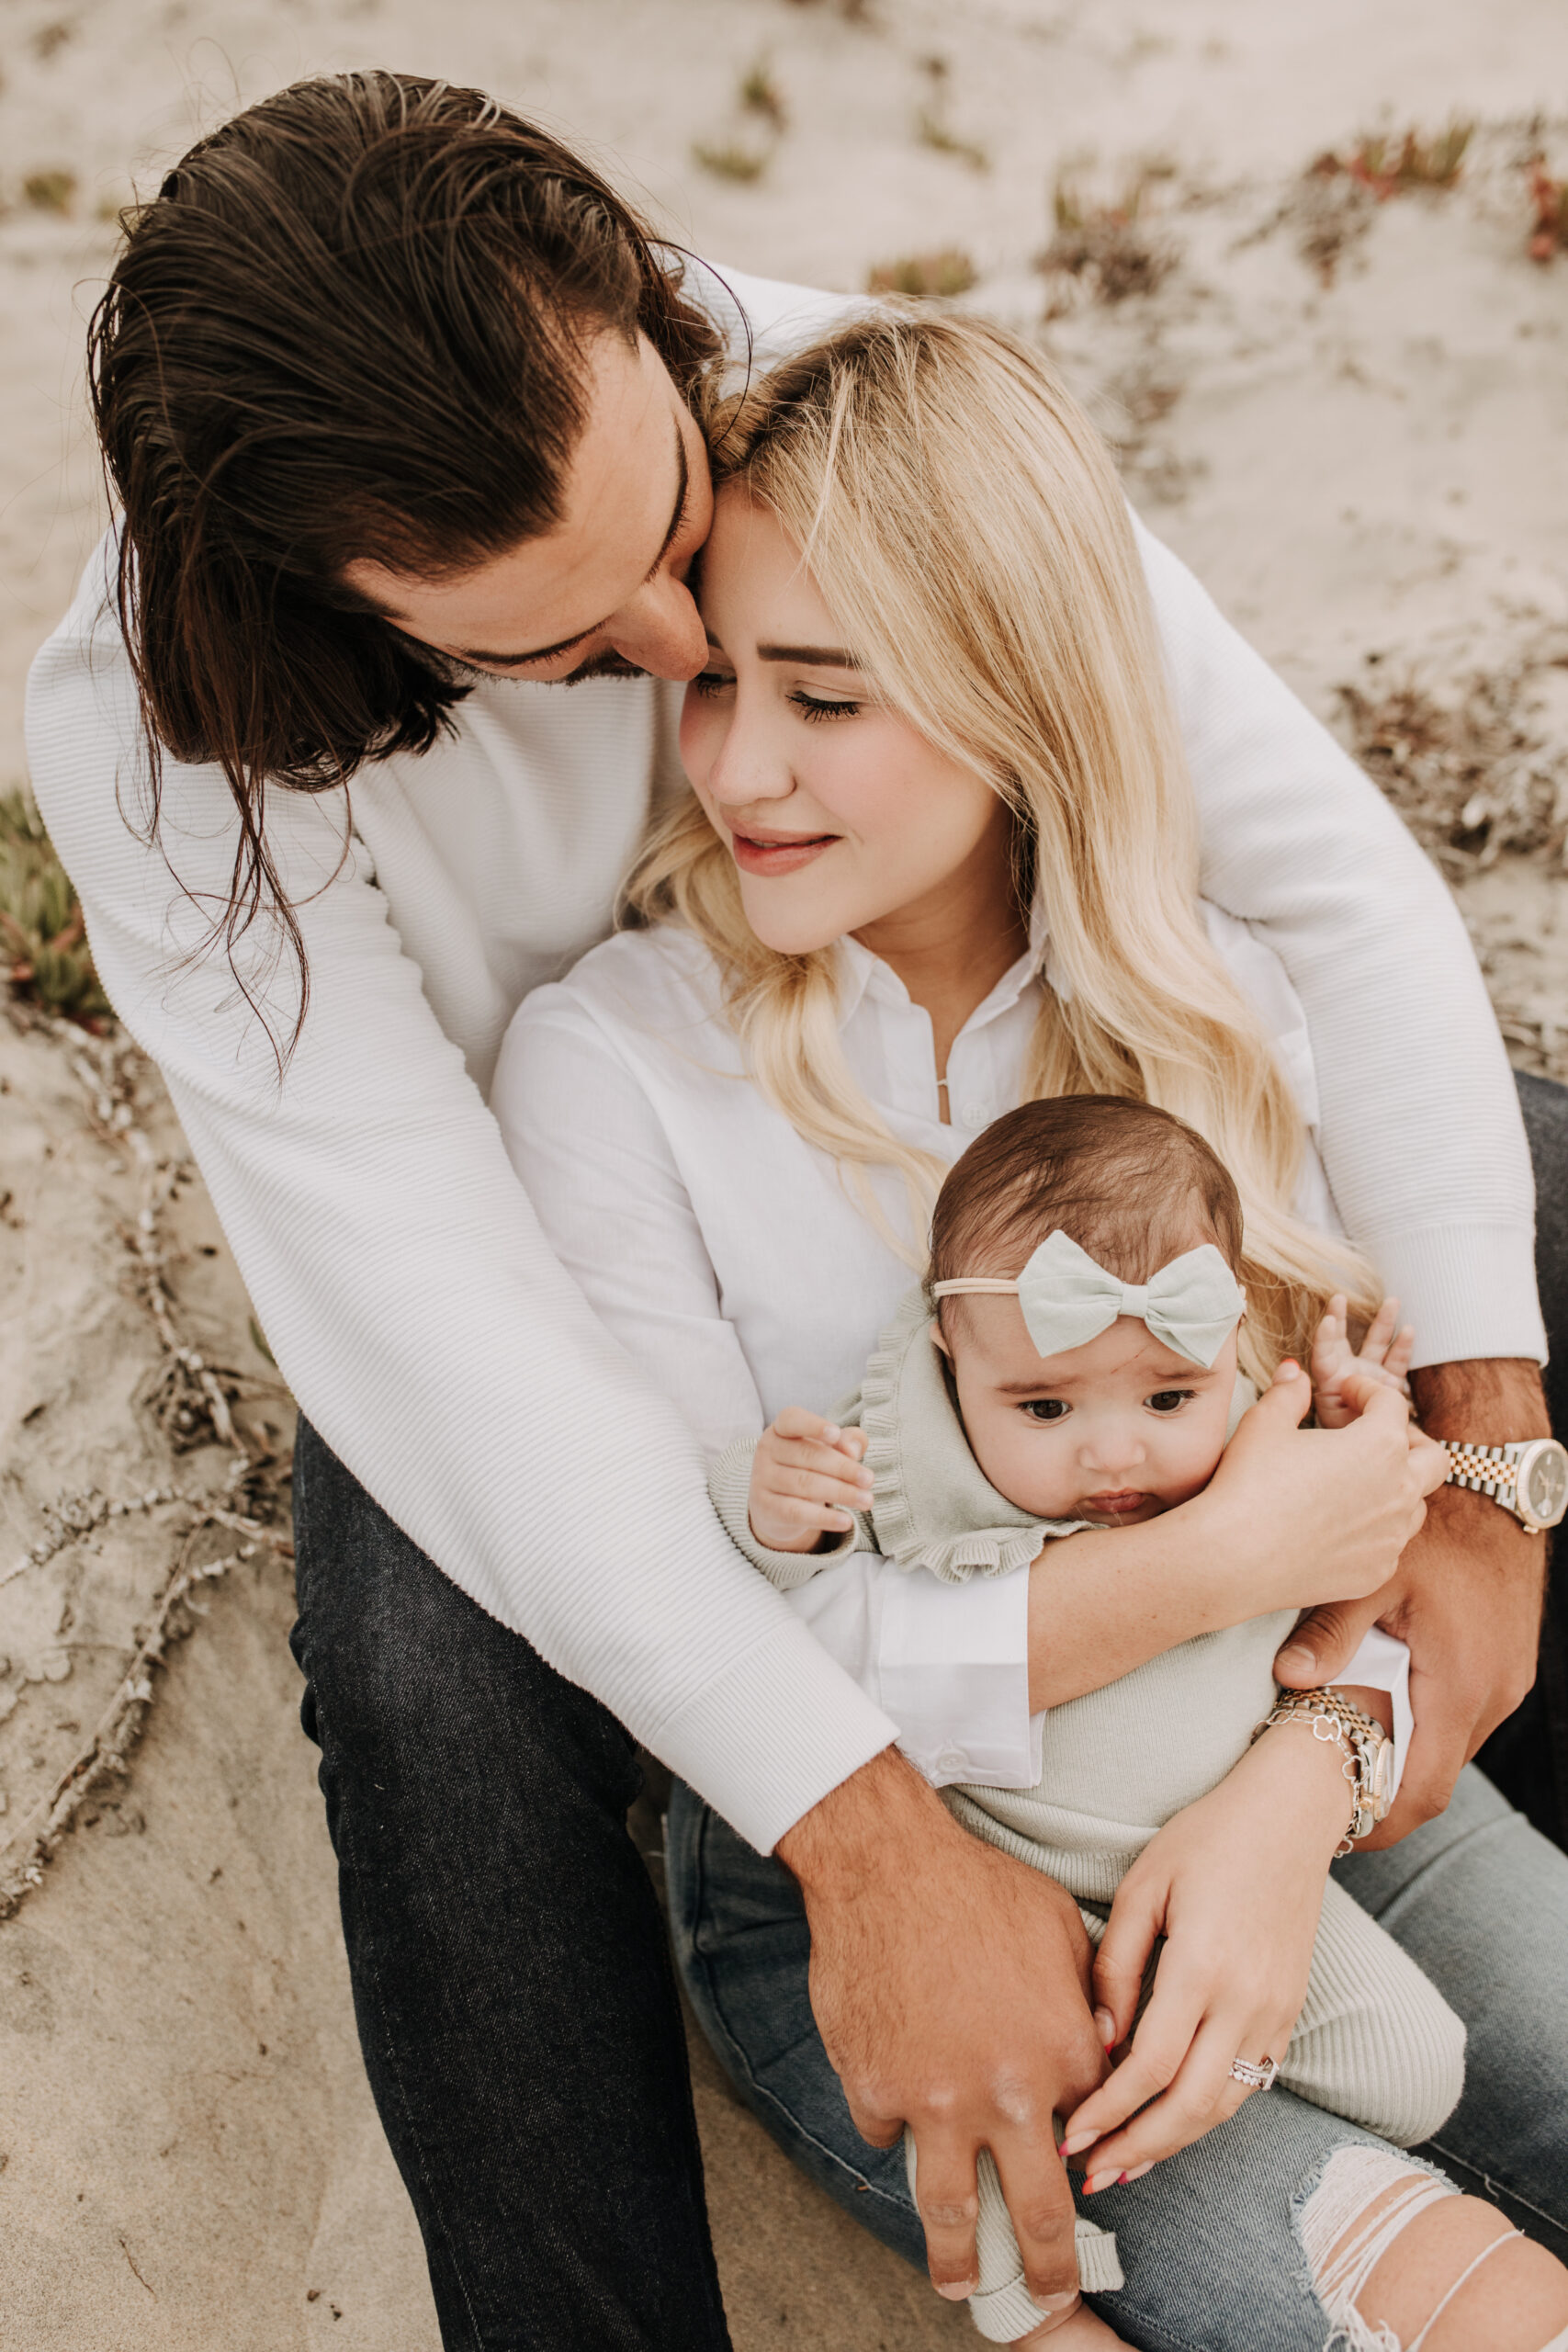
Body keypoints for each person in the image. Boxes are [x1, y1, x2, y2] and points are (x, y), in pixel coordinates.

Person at [23, 69, 1562, 2350]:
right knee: (428, 1665)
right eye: (565, 644)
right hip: (575, 1262)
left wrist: (1474, 1492)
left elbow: (1322, 885)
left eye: (680, 524)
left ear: (640, 308)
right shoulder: (181, 753)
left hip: (1030, 1154)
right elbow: (455, 1346)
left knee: (1509, 1178)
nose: (677, 671)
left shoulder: (823, 403)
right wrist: (868, 1845)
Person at [495, 311, 1568, 2348]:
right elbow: (723, 1643)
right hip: (890, 1879)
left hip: (1286, 1762)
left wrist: (1279, 1803)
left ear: (1014, 690)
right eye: (714, 682)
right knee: (1458, 2314)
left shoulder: (1216, 1005)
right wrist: (1204, 1565)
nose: (737, 763)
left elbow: (1371, 1493)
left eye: (826, 694)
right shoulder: (610, 1070)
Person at [731, 1093, 1469, 2344]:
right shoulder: (906, 1463)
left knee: (1421, 2065)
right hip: (1009, 1872)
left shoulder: (1251, 1431)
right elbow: (784, 1622)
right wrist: (776, 1510)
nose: (1114, 1453)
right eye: (1048, 1410)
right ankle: (1030, 2309)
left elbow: (1366, 1590)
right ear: (951, 1359)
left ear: (1229, 1346)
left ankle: (1212, 2100)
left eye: (1167, 1397)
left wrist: (1362, 1425)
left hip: (1217, 1851)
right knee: (1006, 2078)